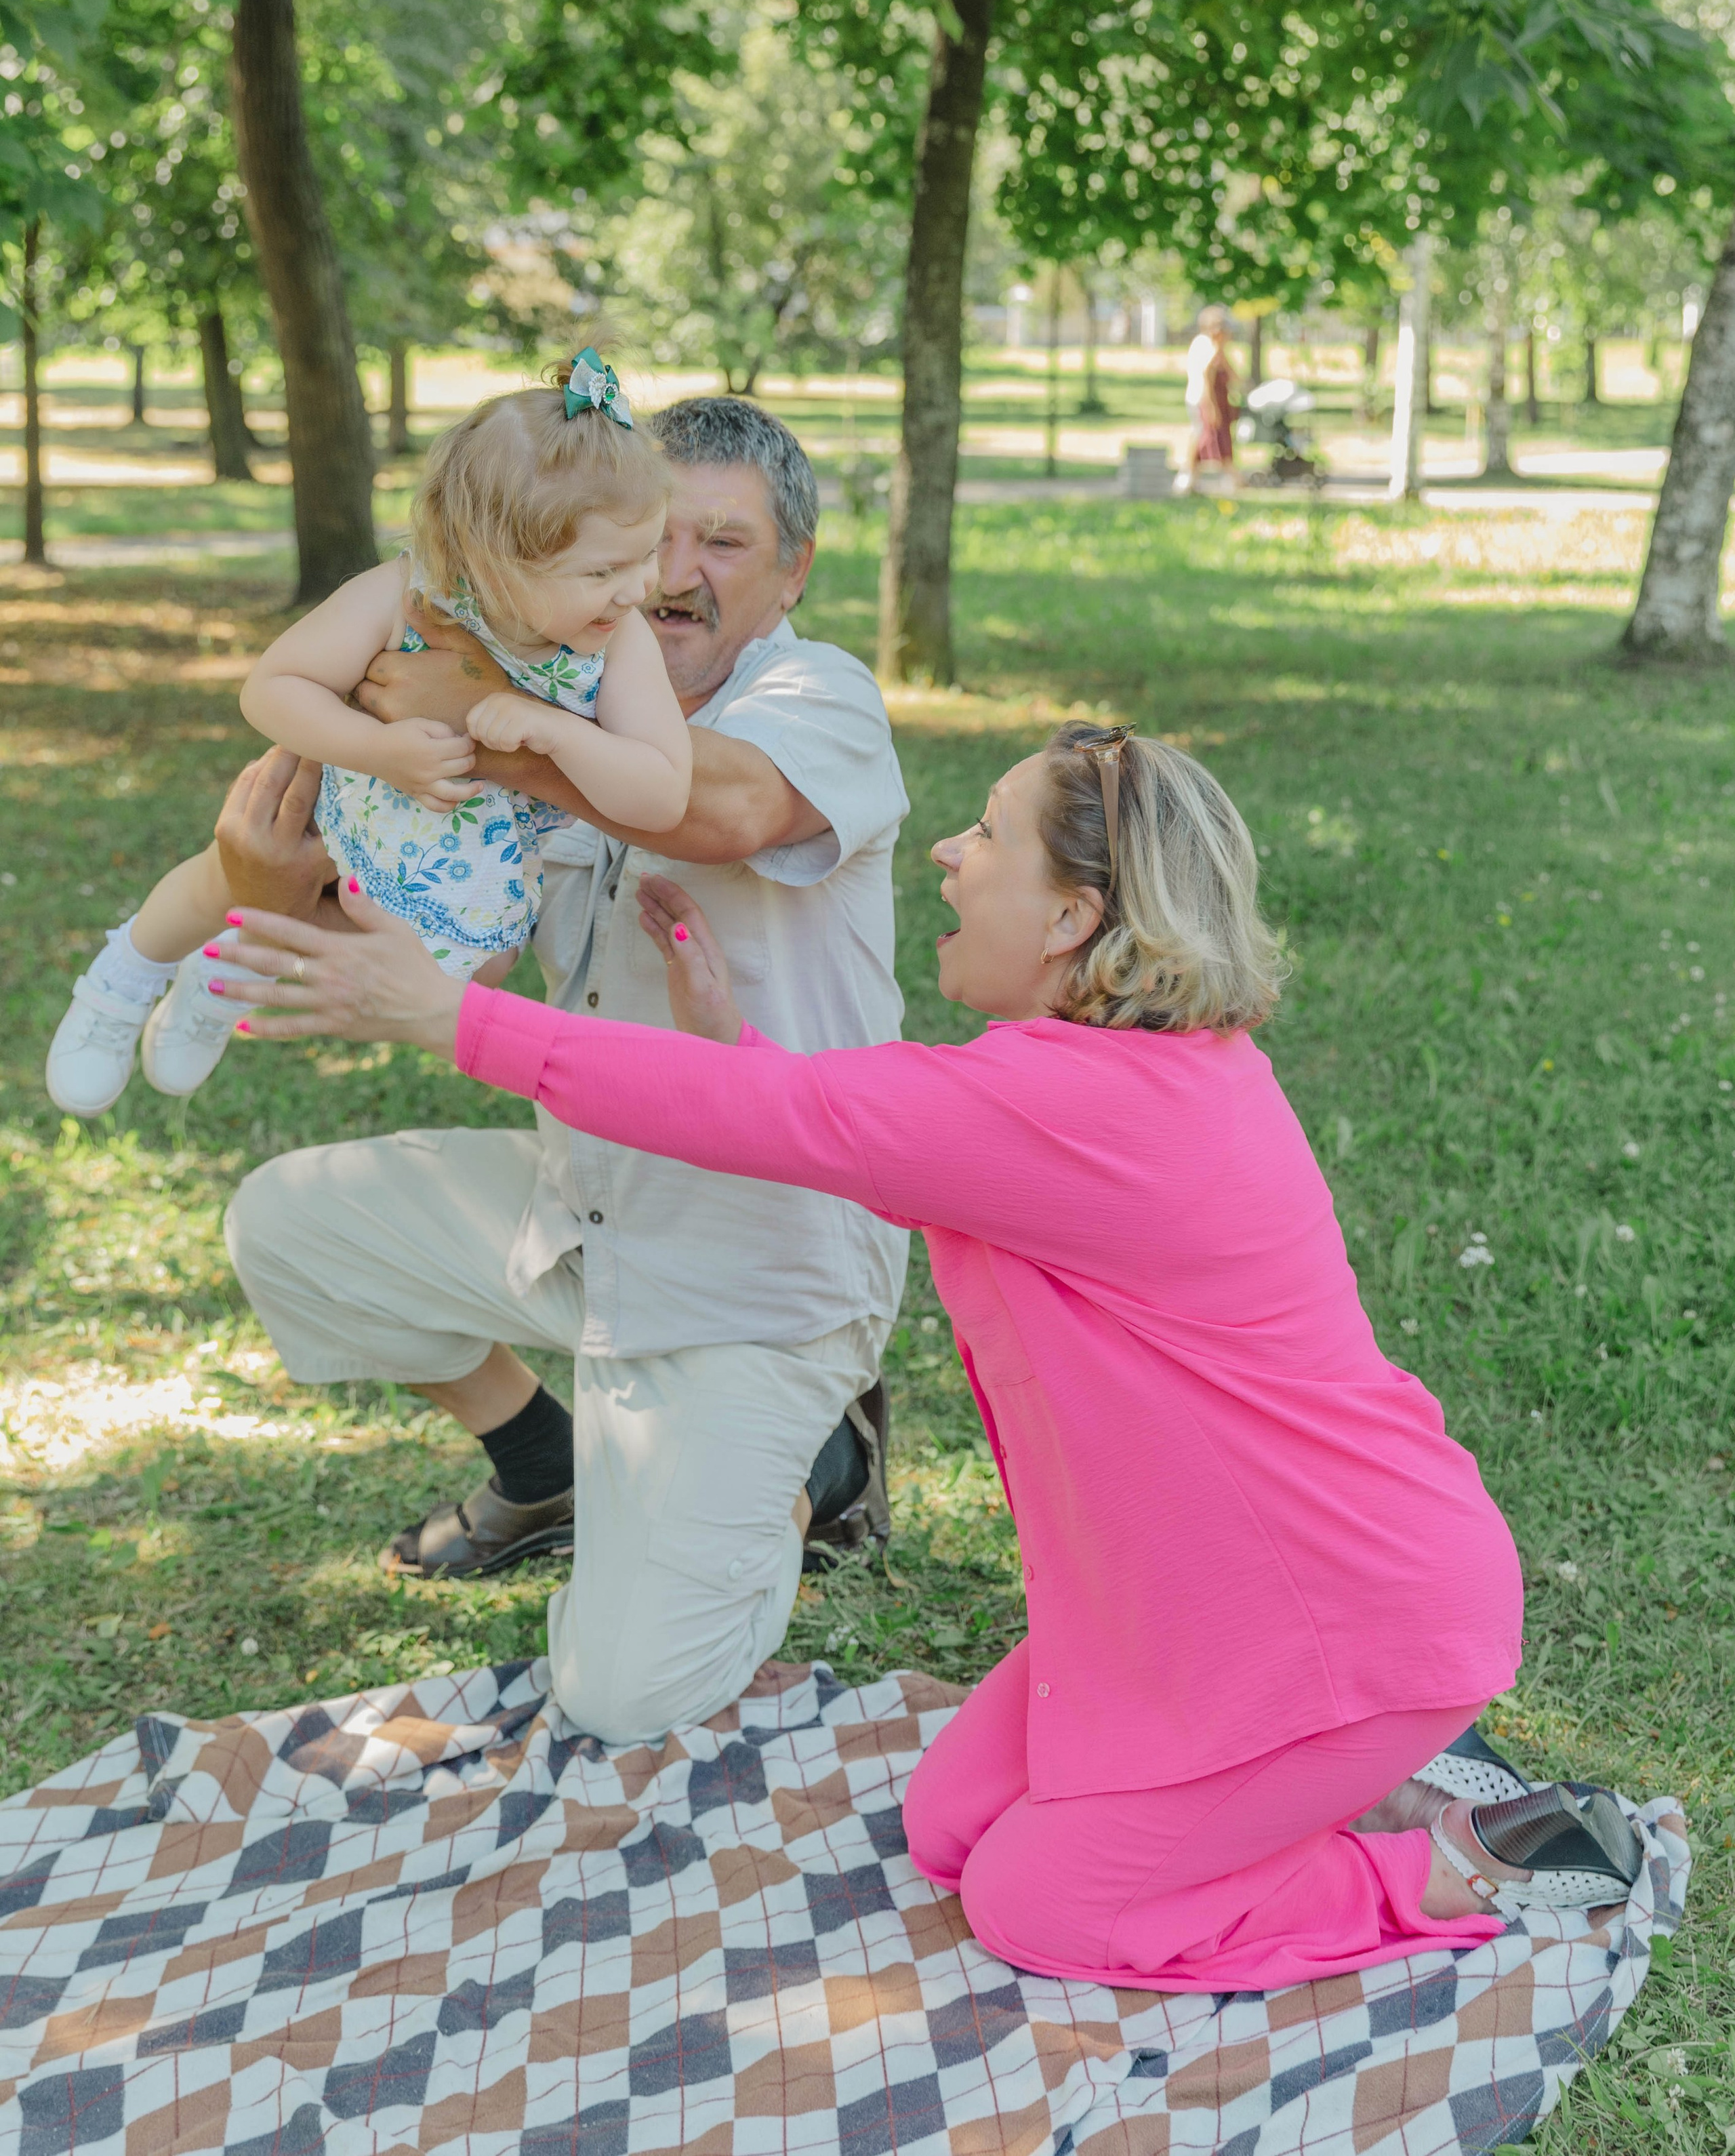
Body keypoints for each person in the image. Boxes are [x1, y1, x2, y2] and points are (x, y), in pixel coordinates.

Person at [205, 720, 1642, 1990]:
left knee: (1037, 1903)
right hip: (1185, 1620)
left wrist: (445, 1013)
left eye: (988, 835)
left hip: (1337, 1621)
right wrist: (732, 1044)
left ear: (1074, 916)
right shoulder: (1104, 1082)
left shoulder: (1082, 1104)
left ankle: (1464, 1857)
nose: (950, 856)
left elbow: (829, 1130)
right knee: (952, 1827)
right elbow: (843, 1121)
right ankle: (1348, 1777)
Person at [215, 396, 912, 1745]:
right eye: (662, 537)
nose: (675, 577)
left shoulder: (818, 696)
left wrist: (478, 726)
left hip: (763, 1263)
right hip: (587, 1202)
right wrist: (268, 873)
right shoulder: (545, 684)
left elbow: (718, 805)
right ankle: (544, 1463)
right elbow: (381, 919)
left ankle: (811, 1464)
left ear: (792, 571)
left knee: (620, 1694)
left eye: (728, 541)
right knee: (288, 1229)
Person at [45, 348, 690, 1116]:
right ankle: (122, 981)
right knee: (231, 874)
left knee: (473, 970)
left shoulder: (620, 640)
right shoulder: (401, 595)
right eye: (602, 571)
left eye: (647, 552)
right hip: (334, 810)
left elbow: (661, 794)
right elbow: (272, 687)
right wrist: (377, 749)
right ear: (489, 562)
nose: (641, 586)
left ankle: (219, 979)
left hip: (460, 872)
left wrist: (554, 729)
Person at [1183, 304, 1239, 487]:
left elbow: (1232, 374)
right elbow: (1207, 377)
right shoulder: (1204, 344)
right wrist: (1211, 407)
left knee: (1209, 437)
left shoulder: (1215, 347)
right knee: (1202, 436)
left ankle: (1196, 478)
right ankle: (1189, 477)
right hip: (1202, 399)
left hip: (1211, 400)